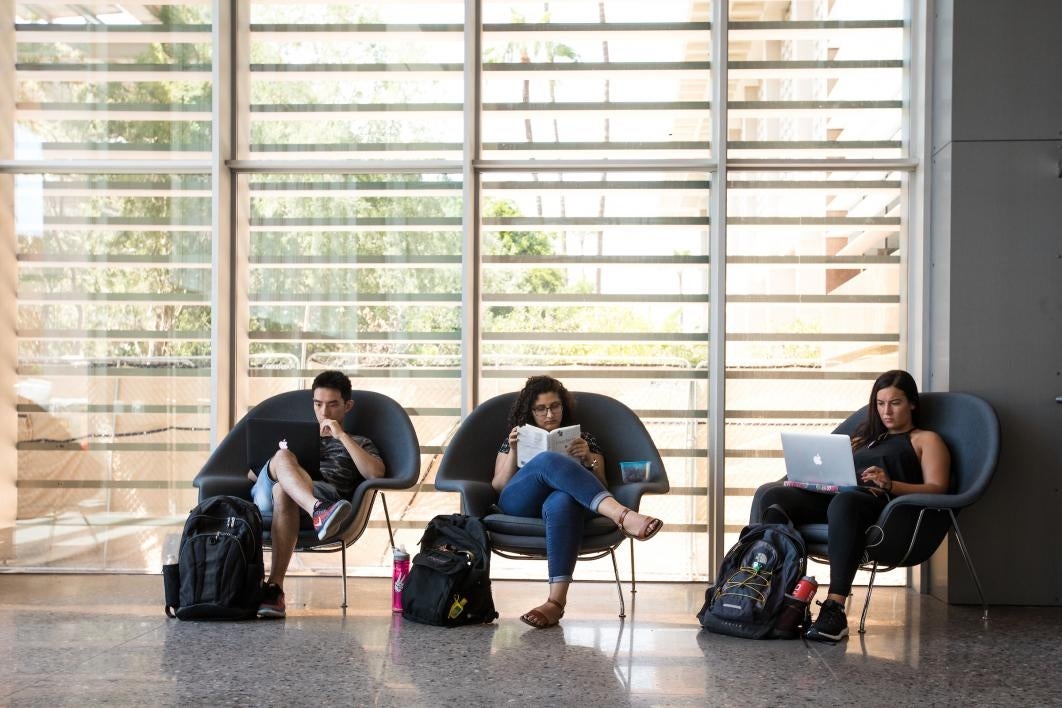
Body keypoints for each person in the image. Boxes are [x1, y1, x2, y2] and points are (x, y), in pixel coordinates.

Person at [759, 369, 950, 642]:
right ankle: (777, 593)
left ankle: (834, 608)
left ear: (912, 404)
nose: (887, 411)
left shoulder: (925, 440)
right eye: (880, 404)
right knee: (773, 497)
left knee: (845, 502)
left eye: (895, 403)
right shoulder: (864, 437)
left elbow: (937, 488)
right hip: (834, 496)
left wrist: (890, 484)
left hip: (878, 506)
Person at [493, 375, 664, 629]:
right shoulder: (516, 437)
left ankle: (555, 603)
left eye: (555, 406)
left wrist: (588, 460)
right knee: (547, 461)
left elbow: (602, 485)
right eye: (541, 408)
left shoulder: (583, 439)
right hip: (519, 502)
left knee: (563, 501)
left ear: (564, 406)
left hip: (562, 503)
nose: (549, 414)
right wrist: (515, 451)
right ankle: (623, 516)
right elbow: (499, 486)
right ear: (530, 411)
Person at [249, 370, 385, 618]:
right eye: (318, 404)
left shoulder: (359, 441)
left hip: (321, 495)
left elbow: (375, 474)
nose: (324, 412)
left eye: (333, 405)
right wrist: (281, 462)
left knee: (283, 490)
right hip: (266, 496)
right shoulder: (292, 438)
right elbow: (252, 473)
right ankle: (317, 510)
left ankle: (275, 589)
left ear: (348, 406)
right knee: (281, 458)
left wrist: (341, 436)